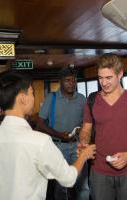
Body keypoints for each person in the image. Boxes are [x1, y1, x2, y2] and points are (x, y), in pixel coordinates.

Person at [0, 71, 96, 200]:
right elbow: (68, 179)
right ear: (23, 97)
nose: (33, 98)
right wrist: (84, 155)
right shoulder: (39, 142)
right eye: (32, 93)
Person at [78, 53, 127, 200]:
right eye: (100, 78)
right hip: (99, 173)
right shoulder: (91, 100)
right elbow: (86, 130)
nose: (104, 83)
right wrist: (83, 142)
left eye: (108, 78)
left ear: (120, 74)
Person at [36, 67, 89, 200]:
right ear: (61, 82)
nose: (71, 83)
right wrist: (59, 135)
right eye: (67, 80)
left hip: (78, 146)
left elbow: (87, 123)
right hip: (58, 147)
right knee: (61, 188)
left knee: (83, 186)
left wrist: (81, 129)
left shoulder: (82, 99)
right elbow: (40, 124)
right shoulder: (51, 98)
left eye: (73, 80)